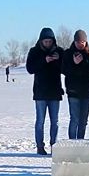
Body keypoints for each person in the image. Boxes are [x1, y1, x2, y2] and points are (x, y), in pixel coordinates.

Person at [25, 27, 62, 155]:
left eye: (49, 41)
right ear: (41, 41)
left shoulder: (59, 51)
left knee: (55, 121)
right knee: (40, 121)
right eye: (45, 41)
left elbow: (65, 68)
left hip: (55, 92)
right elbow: (30, 68)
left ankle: (54, 144)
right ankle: (40, 146)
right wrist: (44, 60)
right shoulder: (34, 52)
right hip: (40, 93)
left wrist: (58, 60)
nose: (47, 44)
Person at [62, 29, 89, 139]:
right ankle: (72, 144)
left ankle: (80, 143)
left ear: (86, 42)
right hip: (73, 92)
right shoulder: (68, 53)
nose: (80, 44)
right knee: (74, 119)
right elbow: (64, 70)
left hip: (87, 92)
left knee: (83, 121)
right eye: (78, 42)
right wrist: (74, 63)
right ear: (74, 42)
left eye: (82, 42)